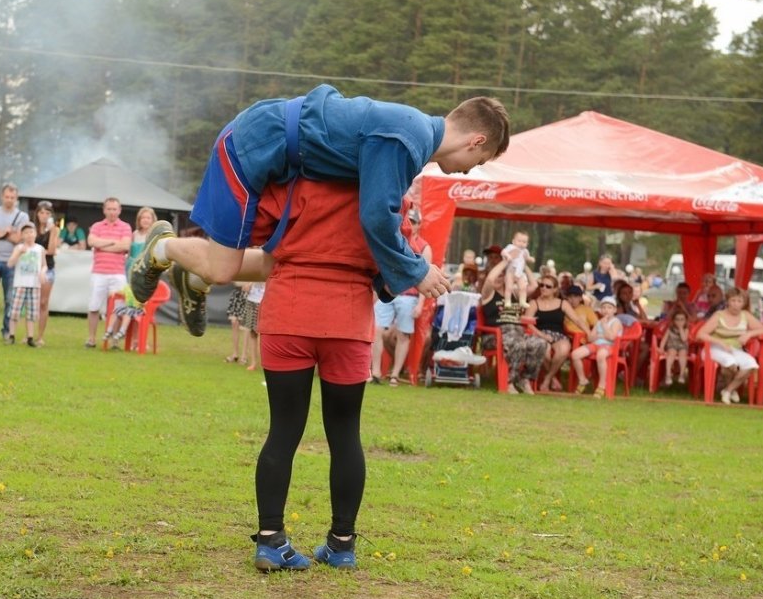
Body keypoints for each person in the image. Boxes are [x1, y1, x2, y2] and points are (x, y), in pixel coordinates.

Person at [129, 86, 510, 337]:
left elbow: (383, 210)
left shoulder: (413, 136)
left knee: (272, 263)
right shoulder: (408, 138)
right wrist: (414, 270)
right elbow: (376, 216)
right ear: (477, 140)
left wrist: (401, 265)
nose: (470, 169)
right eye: (479, 160)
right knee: (224, 267)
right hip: (252, 145)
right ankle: (163, 247)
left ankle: (194, 280)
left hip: (285, 163)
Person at [248, 177, 379, 572]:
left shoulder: (291, 182)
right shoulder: (379, 182)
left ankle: (271, 540)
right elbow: (395, 244)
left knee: (283, 430)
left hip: (288, 311)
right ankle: (341, 545)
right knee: (345, 434)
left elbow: (253, 228)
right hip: (348, 317)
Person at [370, 206, 431, 386]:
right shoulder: (393, 240)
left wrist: (421, 304)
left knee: (404, 335)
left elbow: (426, 277)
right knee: (377, 331)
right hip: (387, 291)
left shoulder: (424, 246)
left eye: (414, 222)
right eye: (408, 220)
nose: (410, 224)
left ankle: (395, 374)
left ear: (419, 225)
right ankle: (376, 372)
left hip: (409, 295)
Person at [480, 260, 546, 395]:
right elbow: (490, 278)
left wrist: (523, 262)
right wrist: (506, 261)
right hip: (496, 334)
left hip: (518, 332)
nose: (498, 278)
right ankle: (509, 381)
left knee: (539, 343)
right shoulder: (488, 294)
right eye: (497, 275)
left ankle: (525, 378)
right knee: (518, 344)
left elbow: (533, 285)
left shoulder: (515, 294)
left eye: (502, 276)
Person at [697, 287, 763, 404]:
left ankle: (728, 390)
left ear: (743, 303)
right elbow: (700, 334)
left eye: (739, 301)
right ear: (728, 301)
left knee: (751, 364)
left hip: (735, 348)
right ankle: (731, 388)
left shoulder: (745, 315)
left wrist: (749, 333)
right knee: (730, 362)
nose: (736, 304)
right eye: (733, 301)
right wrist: (720, 342)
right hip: (714, 348)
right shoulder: (719, 315)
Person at [524, 275, 591, 392]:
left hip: (558, 334)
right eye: (542, 285)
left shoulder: (562, 303)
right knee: (544, 350)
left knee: (564, 349)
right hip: (540, 333)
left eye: (548, 286)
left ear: (555, 289)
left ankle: (547, 379)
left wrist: (589, 333)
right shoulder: (534, 303)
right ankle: (553, 379)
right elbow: (528, 323)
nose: (543, 288)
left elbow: (577, 320)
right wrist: (541, 335)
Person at [0, 184, 30, 340]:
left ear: (16, 199)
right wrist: (5, 232)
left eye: (12, 197)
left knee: (10, 299)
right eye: (7, 197)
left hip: (12, 262)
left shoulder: (22, 216)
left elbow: (19, 238)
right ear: (2, 196)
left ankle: (7, 330)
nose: (9, 200)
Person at [85, 198, 132, 348]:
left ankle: (115, 340)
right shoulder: (97, 226)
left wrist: (102, 244)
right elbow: (91, 242)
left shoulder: (125, 227)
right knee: (94, 306)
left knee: (118, 307)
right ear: (104, 210)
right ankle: (91, 338)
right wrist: (113, 243)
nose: (112, 212)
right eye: (109, 209)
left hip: (118, 273)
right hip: (99, 272)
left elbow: (125, 245)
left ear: (119, 210)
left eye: (114, 209)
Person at [570, 296, 623, 399]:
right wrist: (599, 330)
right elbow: (590, 338)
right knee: (575, 354)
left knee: (601, 355)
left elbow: (611, 337)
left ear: (614, 310)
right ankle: (582, 380)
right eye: (603, 307)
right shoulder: (598, 322)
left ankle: (602, 385)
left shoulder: (616, 322)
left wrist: (604, 326)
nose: (606, 310)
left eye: (609, 308)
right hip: (595, 345)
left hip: (609, 346)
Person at [6, 223, 47, 347]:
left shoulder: (40, 249)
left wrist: (43, 273)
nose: (29, 235)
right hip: (20, 284)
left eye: (31, 232)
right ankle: (11, 335)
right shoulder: (19, 248)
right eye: (26, 233)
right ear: (22, 235)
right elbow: (10, 264)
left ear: (35, 234)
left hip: (35, 285)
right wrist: (18, 254)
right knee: (15, 311)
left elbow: (44, 265)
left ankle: (30, 337)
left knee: (32, 313)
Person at [34, 201, 60, 346]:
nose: (44, 216)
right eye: (41, 213)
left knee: (43, 302)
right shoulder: (32, 229)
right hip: (32, 269)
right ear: (37, 214)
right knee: (32, 302)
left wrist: (52, 232)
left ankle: (40, 336)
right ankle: (29, 333)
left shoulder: (54, 230)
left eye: (47, 213)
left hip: (48, 268)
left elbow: (52, 250)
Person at [102, 284, 144, 350]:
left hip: (139, 311)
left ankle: (122, 331)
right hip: (129, 309)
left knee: (128, 312)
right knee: (116, 311)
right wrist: (113, 292)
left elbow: (146, 301)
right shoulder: (127, 288)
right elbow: (120, 292)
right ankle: (109, 331)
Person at [502, 230, 534, 308]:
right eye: (519, 241)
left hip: (520, 272)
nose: (521, 243)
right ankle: (507, 301)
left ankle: (522, 301)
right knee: (509, 287)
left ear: (527, 244)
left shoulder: (525, 251)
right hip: (511, 271)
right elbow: (503, 252)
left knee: (523, 287)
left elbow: (527, 258)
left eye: (524, 242)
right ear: (513, 241)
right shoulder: (511, 247)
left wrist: (530, 259)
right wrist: (508, 256)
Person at [658, 309, 691, 386]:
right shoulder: (670, 329)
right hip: (672, 345)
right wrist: (661, 347)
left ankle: (682, 374)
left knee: (683, 354)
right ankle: (668, 374)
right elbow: (664, 339)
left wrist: (680, 328)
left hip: (682, 346)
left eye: (682, 319)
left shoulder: (686, 329)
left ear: (686, 321)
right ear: (673, 321)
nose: (680, 321)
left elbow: (684, 339)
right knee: (671, 353)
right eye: (677, 319)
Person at [241, 282, 266, 372]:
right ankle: (253, 363)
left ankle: (265, 363)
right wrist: (247, 285)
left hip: (263, 302)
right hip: (251, 301)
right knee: (252, 333)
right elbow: (244, 286)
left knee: (263, 334)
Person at [126, 207, 156, 277]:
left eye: (148, 218)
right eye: (143, 218)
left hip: (147, 269)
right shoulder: (134, 234)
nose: (145, 220)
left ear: (152, 220)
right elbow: (129, 253)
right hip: (132, 267)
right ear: (139, 220)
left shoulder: (154, 235)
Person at [224, 283, 250, 363]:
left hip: (248, 295)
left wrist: (249, 284)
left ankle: (244, 356)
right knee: (234, 323)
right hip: (237, 294)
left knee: (246, 325)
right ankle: (235, 354)